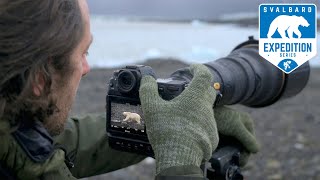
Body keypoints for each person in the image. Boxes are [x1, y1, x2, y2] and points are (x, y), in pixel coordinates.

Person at [0, 0, 259, 179]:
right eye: (82, 53)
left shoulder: (12, 127)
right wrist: (179, 164)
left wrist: (167, 124)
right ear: (40, 79)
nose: (86, 68)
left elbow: (69, 141)